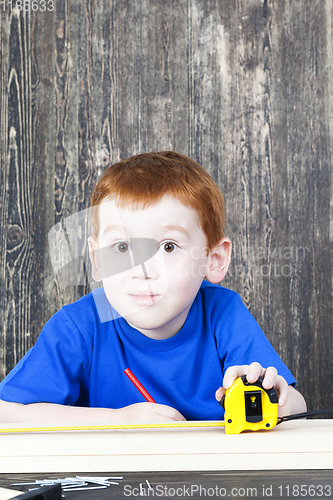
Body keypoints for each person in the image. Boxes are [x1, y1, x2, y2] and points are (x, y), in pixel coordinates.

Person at [0, 151, 306, 423]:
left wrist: (279, 397)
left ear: (213, 259)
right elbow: (7, 412)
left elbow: (298, 406)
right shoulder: (79, 326)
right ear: (97, 260)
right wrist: (118, 421)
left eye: (169, 247)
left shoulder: (222, 313)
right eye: (121, 248)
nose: (141, 270)